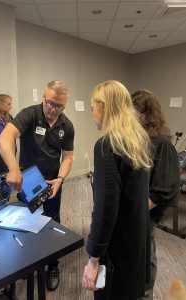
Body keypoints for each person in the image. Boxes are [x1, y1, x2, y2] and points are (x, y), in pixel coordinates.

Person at [0, 80, 74, 291]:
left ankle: (52, 266)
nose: (52, 109)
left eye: (58, 106)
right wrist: (13, 168)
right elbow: (5, 138)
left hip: (52, 181)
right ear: (44, 98)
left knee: (52, 222)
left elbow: (67, 157)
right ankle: (28, 262)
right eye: (49, 103)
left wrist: (60, 179)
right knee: (27, 221)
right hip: (28, 179)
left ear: (64, 106)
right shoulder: (29, 114)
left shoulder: (66, 125)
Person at [82, 80, 152, 300]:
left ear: (104, 107)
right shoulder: (138, 141)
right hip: (136, 241)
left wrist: (94, 259)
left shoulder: (106, 146)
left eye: (93, 107)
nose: (92, 113)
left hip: (116, 249)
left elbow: (105, 211)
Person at [131, 89, 180, 300]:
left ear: (145, 114)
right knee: (135, 254)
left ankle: (146, 294)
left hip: (146, 213)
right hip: (137, 210)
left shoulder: (162, 143)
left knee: (145, 256)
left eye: (133, 112)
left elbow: (165, 188)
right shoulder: (141, 139)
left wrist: (140, 211)